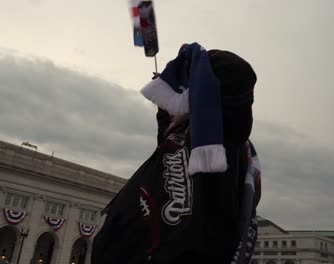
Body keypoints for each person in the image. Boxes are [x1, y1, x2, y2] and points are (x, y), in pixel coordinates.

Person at [91, 43, 260, 264]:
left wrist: (198, 63)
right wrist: (170, 102)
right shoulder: (183, 131)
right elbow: (167, 136)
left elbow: (237, 74)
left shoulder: (220, 138)